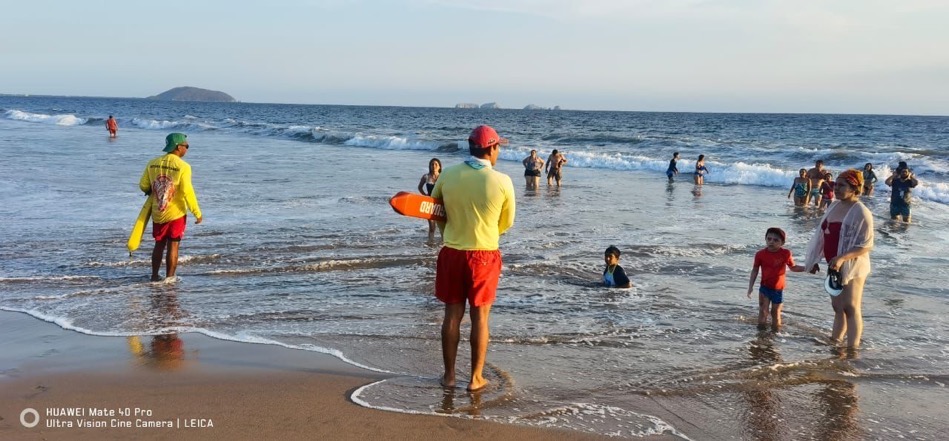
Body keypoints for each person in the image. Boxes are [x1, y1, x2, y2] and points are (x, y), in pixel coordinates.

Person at [431, 125, 515, 392]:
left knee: (452, 316)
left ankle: (450, 376)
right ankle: (475, 378)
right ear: (490, 148)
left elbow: (435, 212)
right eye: (498, 146)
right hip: (484, 254)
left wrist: (451, 233)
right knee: (480, 318)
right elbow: (507, 222)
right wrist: (486, 234)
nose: (499, 150)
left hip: (452, 251)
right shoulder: (502, 181)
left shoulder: (448, 175)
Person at [804, 169, 873, 349]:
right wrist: (815, 260)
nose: (836, 188)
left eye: (842, 185)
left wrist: (843, 257)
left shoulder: (861, 212)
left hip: (852, 266)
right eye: (836, 184)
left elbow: (866, 245)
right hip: (833, 265)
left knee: (850, 307)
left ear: (854, 188)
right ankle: (835, 342)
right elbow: (823, 234)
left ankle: (852, 349)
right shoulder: (834, 206)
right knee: (837, 308)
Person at [139, 133, 203, 282]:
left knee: (159, 244)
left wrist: (153, 193)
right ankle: (170, 278)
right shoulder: (183, 167)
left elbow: (143, 185)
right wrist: (197, 212)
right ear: (178, 147)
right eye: (186, 146)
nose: (187, 149)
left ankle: (154, 276)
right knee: (174, 246)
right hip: (176, 213)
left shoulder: (152, 163)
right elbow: (187, 191)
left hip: (158, 211)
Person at [746, 228, 805, 331]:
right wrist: (750, 287)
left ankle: (776, 334)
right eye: (769, 239)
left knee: (775, 313)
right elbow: (755, 270)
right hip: (764, 288)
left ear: (782, 242)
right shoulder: (760, 254)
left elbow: (793, 267)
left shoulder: (786, 253)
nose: (771, 242)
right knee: (763, 311)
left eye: (775, 240)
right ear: (765, 239)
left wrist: (807, 268)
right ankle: (760, 333)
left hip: (778, 290)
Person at [417, 158, 442, 237]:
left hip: (441, 203)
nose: (434, 166)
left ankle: (443, 244)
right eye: (432, 164)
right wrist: (425, 195)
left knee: (442, 226)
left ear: (439, 167)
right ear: (430, 166)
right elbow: (420, 187)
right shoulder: (426, 177)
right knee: (432, 226)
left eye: (436, 164)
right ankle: (430, 243)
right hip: (430, 203)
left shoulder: (443, 176)